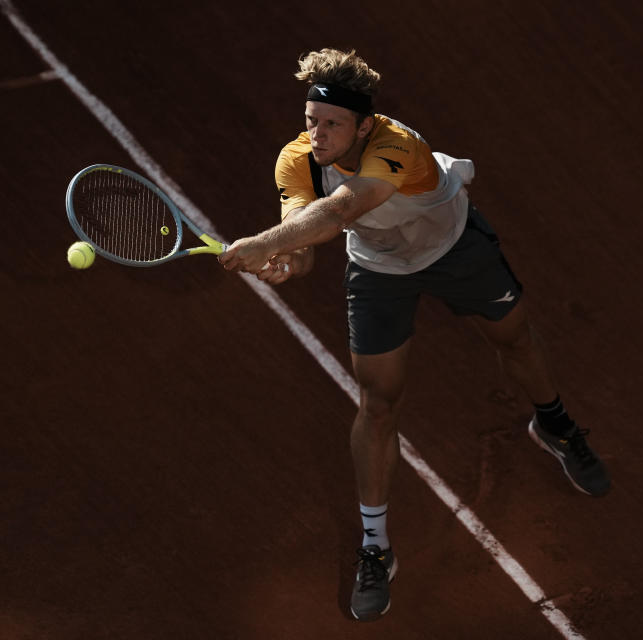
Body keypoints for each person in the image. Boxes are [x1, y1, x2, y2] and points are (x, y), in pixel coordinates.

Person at [218, 48, 610, 622]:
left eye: (331, 124)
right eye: (310, 121)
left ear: (365, 125)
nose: (317, 134)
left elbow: (341, 209)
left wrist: (263, 244)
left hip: (455, 251)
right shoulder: (296, 160)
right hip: (379, 270)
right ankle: (375, 547)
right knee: (378, 401)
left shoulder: (397, 147)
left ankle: (555, 426)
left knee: (515, 339)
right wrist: (286, 260)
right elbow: (302, 237)